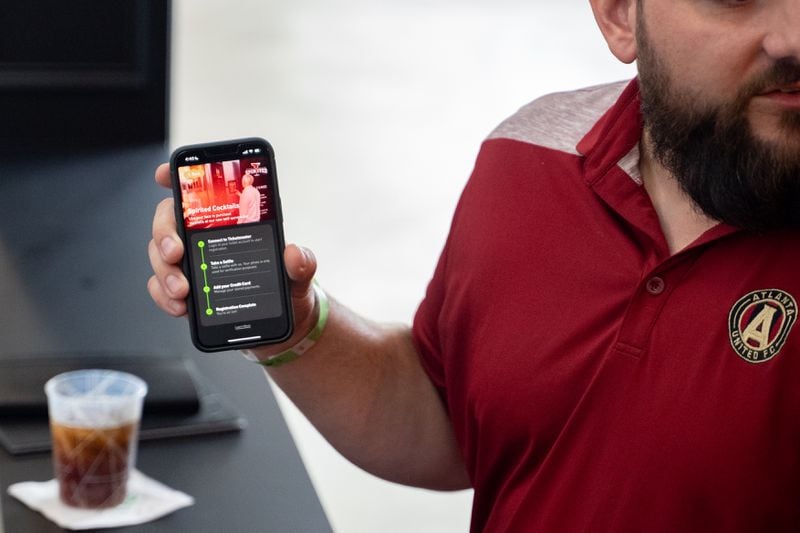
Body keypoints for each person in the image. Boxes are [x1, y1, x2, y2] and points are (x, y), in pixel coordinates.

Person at [147, 0, 800, 530]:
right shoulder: (530, 155)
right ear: (620, 15)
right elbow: (454, 420)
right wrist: (295, 325)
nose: (792, 34)